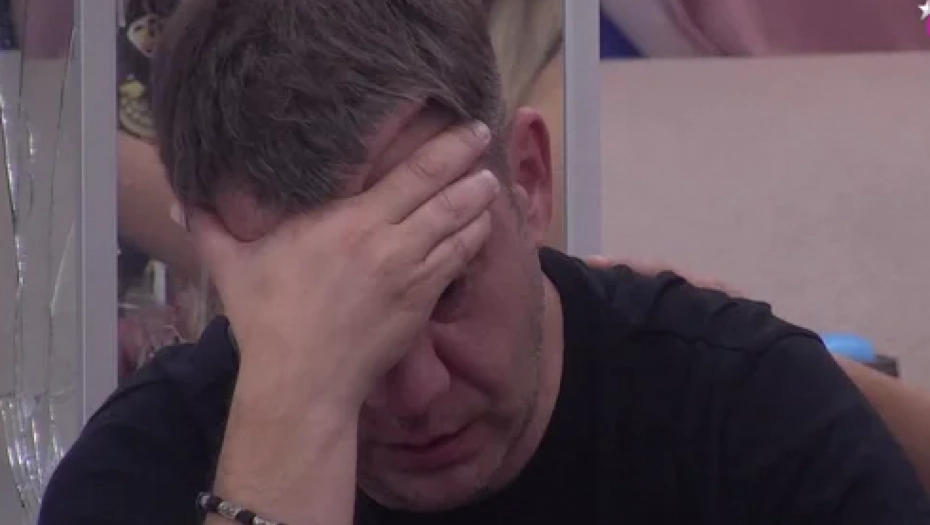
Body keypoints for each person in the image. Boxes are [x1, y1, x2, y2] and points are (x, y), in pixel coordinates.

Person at [37, 1, 930, 524]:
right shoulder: (141, 471)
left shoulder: (750, 423)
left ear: (528, 179)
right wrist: (291, 417)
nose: (419, 391)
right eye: (345, 314)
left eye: (445, 286)